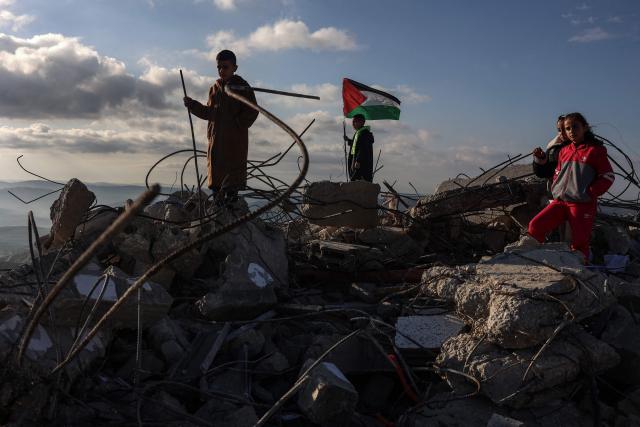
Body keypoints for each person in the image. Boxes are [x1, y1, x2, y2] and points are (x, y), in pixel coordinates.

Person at [527, 112, 615, 260]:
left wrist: (589, 192)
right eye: (568, 128)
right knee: (535, 226)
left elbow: (608, 176)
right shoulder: (564, 151)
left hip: (581, 204)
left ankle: (581, 274)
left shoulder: (595, 151)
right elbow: (556, 172)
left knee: (579, 243)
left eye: (575, 127)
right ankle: (535, 260)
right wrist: (556, 187)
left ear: (585, 128)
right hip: (560, 201)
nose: (571, 131)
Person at [183, 49, 259, 202]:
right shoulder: (214, 89)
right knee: (216, 186)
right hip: (216, 142)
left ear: (234, 68)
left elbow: (253, 110)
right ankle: (217, 217)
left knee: (232, 184)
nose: (221, 70)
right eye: (219, 67)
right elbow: (209, 113)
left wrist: (236, 125)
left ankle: (231, 215)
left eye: (225, 67)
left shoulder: (242, 87)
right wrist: (192, 105)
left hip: (234, 143)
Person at [344, 114, 374, 182]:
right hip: (355, 160)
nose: (353, 124)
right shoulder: (359, 132)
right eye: (353, 122)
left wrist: (358, 160)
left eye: (355, 122)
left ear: (362, 122)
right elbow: (356, 145)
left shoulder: (365, 133)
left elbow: (363, 148)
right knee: (354, 178)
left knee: (359, 178)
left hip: (361, 163)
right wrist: (348, 140)